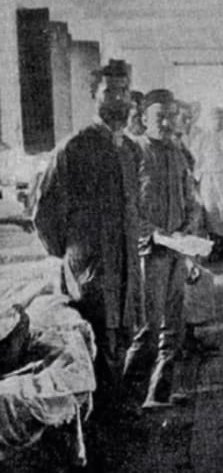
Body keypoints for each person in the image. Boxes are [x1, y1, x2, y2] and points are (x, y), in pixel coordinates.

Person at [34, 61, 135, 407]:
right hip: (91, 262)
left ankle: (118, 412)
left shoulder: (130, 150)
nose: (118, 99)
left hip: (125, 260)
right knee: (97, 338)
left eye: (123, 92)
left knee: (122, 332)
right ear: (94, 95)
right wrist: (74, 255)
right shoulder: (74, 147)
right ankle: (99, 428)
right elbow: (44, 213)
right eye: (109, 92)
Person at [123, 88, 200, 409]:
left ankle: (159, 392)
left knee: (174, 327)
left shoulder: (178, 152)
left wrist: (189, 227)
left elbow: (192, 199)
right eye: (160, 117)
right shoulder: (134, 152)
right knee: (148, 328)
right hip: (148, 253)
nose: (167, 122)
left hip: (176, 250)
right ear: (143, 119)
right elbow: (127, 208)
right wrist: (153, 233)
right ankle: (125, 398)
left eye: (171, 116)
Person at [193, 106, 223, 258]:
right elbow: (196, 159)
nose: (218, 122)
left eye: (220, 118)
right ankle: (215, 247)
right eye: (214, 119)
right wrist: (197, 178)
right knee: (211, 211)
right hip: (209, 179)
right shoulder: (201, 138)